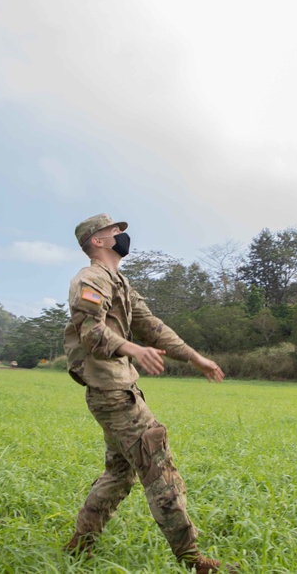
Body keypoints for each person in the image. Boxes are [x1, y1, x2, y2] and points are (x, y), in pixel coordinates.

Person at [63, 213, 237, 574]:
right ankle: (193, 561)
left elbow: (153, 327)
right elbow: (91, 334)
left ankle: (79, 546)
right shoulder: (90, 279)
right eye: (114, 231)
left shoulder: (119, 283)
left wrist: (194, 357)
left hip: (119, 388)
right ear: (97, 240)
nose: (121, 235)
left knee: (120, 473)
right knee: (160, 468)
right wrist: (132, 349)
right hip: (111, 391)